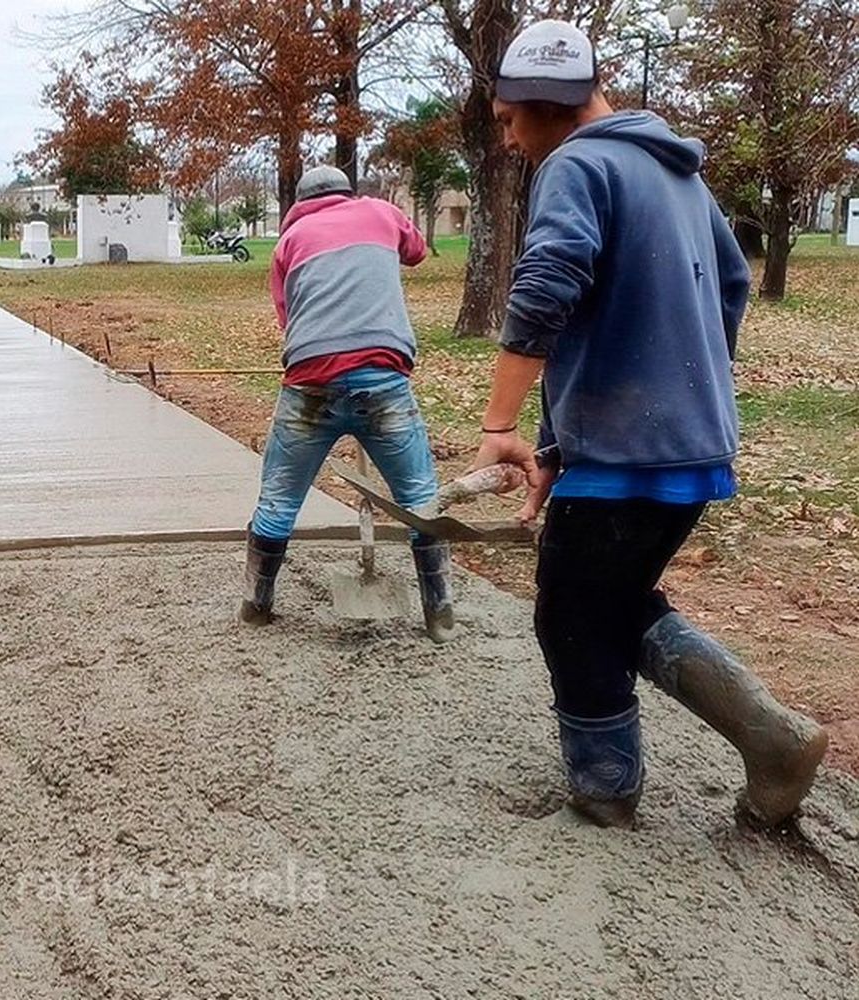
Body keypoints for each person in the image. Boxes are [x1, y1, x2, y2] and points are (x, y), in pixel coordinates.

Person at [475, 19, 827, 828]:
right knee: (615, 599)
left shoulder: (576, 164)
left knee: (568, 613)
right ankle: (771, 737)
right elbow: (731, 286)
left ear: (542, 107)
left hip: (628, 451)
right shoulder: (679, 176)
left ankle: (605, 792)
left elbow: (546, 286)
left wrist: (502, 424)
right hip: (689, 445)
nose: (508, 139)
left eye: (507, 121)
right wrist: (575, 436)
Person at [241, 165, 454, 642]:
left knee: (278, 500)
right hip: (383, 380)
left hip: (309, 383)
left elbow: (287, 318)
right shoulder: (382, 212)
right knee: (421, 498)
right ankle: (440, 615)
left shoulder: (287, 243)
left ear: (300, 203)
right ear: (348, 193)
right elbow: (416, 252)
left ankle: (256, 605)